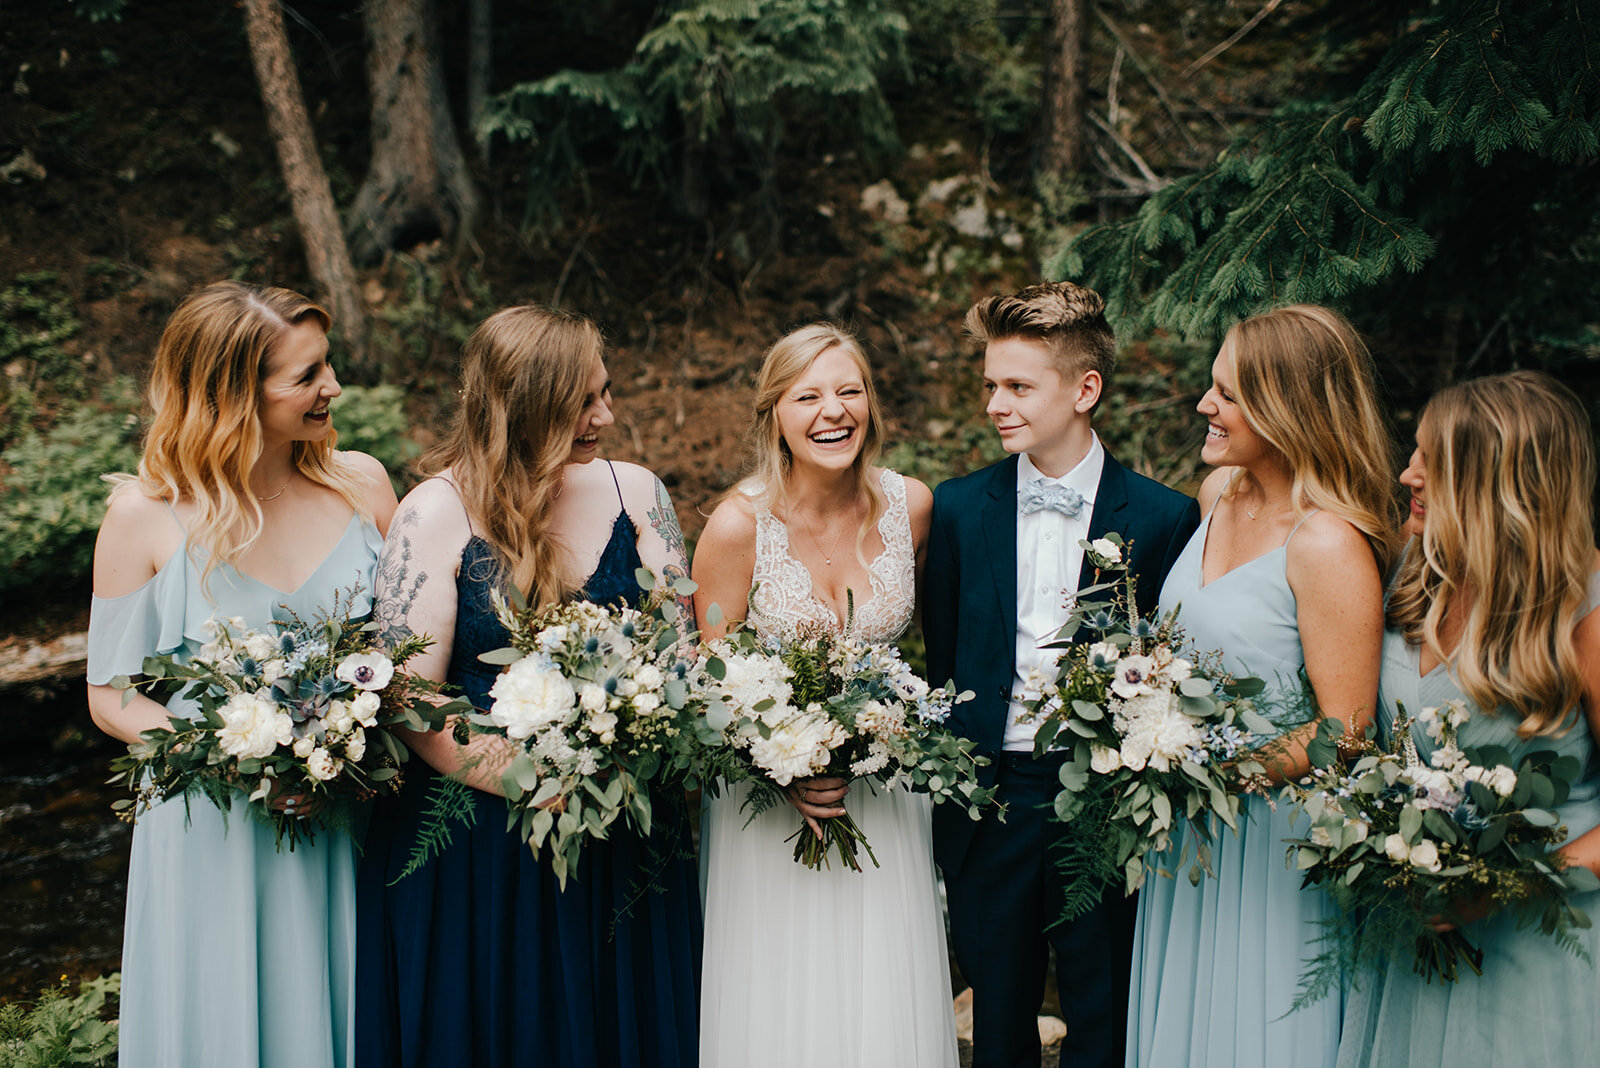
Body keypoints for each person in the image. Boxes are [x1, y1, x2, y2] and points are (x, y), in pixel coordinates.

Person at [354, 305, 701, 1068]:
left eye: (606, 392)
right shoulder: (433, 514)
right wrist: (529, 779)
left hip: (622, 823)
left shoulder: (638, 492)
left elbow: (682, 655)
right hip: (481, 841)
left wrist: (632, 746)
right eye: (584, 401)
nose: (606, 415)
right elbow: (410, 700)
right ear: (525, 407)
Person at [85, 281, 397, 1067]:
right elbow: (111, 696)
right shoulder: (144, 518)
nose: (333, 389)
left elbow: (411, 654)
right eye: (307, 376)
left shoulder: (361, 485)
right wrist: (236, 755)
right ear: (233, 395)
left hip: (343, 815)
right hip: (214, 828)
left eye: (327, 366)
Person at [922, 281, 1200, 1068]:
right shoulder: (957, 509)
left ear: (1085, 390)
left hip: (1102, 798)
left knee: (1102, 1003)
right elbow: (946, 663)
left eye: (1016, 387)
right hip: (992, 798)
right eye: (990, 386)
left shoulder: (1163, 518)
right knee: (996, 1010)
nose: (994, 405)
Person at [1125, 304, 1398, 1067]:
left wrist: (1216, 773)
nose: (1205, 406)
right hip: (1191, 829)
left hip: (1273, 835)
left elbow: (1347, 729)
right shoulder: (1218, 495)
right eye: (1213, 386)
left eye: (1230, 394)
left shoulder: (1327, 542)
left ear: (1291, 408)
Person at [692, 322, 954, 1067]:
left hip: (886, 791)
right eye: (807, 396)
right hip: (768, 805)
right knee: (782, 997)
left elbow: (923, 654)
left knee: (883, 986)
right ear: (773, 413)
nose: (832, 411)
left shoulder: (914, 506)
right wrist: (787, 766)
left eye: (849, 391)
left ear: (872, 404)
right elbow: (713, 681)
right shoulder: (738, 525)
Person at [1336, 371, 1600, 1066]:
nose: (1405, 472)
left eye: (1430, 459)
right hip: (1409, 943)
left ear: (1498, 480)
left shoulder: (1586, 612)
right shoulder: (1412, 569)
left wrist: (1498, 888)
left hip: (1539, 944)